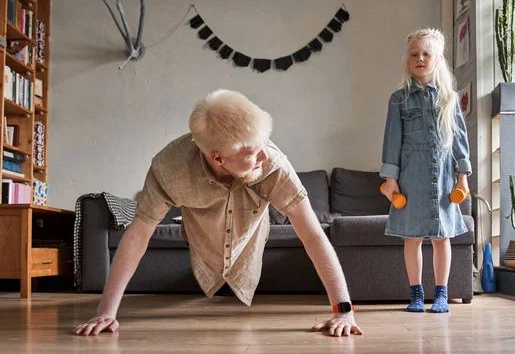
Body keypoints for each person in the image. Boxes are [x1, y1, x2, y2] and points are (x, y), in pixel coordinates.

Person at [72, 89, 363, 337]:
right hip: (201, 235)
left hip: (252, 233)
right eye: (252, 152)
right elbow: (137, 236)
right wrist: (105, 312)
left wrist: (343, 310)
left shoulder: (272, 164)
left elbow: (313, 235)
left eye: (263, 145)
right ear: (219, 157)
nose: (263, 155)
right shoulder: (169, 169)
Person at [380, 28, 471, 313]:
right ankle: (417, 294)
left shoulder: (449, 99)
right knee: (413, 238)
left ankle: (442, 294)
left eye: (426, 54)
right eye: (414, 54)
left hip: (443, 177)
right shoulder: (398, 99)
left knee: (442, 238)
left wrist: (462, 176)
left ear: (438, 58)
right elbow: (391, 141)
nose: (420, 58)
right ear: (408, 59)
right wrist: (391, 179)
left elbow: (459, 140)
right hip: (411, 177)